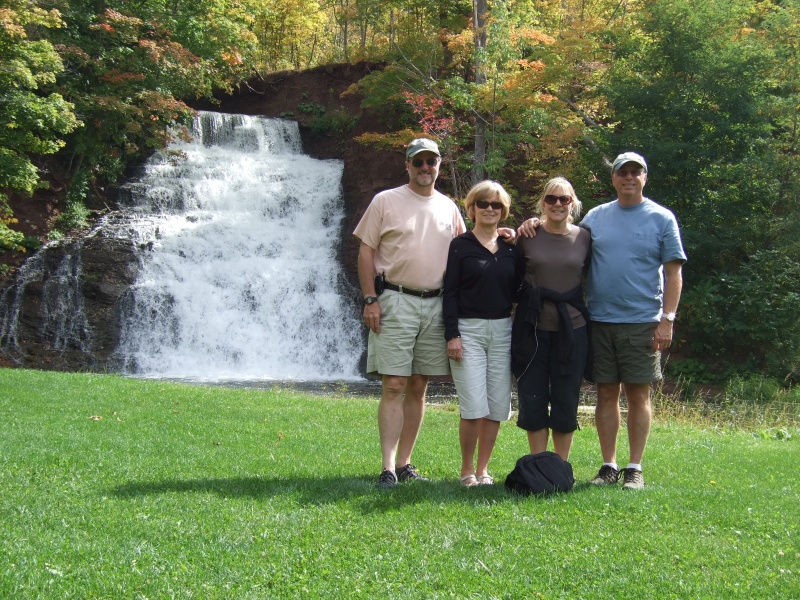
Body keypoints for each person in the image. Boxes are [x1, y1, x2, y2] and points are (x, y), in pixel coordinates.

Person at [519, 152, 686, 490]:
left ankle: (634, 467)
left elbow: (674, 272)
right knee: (606, 393)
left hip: (643, 320)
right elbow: (561, 236)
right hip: (598, 318)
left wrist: (667, 319)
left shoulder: (661, 218)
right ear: (613, 179)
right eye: (622, 172)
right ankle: (608, 465)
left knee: (639, 394)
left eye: (635, 172)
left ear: (645, 176)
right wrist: (531, 223)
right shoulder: (596, 218)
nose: (628, 178)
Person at [353, 138, 467, 488]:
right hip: (395, 299)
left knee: (419, 385)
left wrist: (506, 234)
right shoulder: (385, 200)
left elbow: (469, 248)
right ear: (407, 165)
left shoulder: (449, 207)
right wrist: (370, 298)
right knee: (394, 384)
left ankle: (405, 463)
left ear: (439, 166)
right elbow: (366, 251)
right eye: (418, 162)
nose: (425, 168)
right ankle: (387, 467)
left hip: (436, 302)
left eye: (431, 162)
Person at [443, 181, 523, 487]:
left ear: (503, 212)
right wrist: (453, 334)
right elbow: (449, 293)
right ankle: (467, 471)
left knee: (497, 404)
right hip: (468, 330)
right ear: (472, 208)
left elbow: (518, 290)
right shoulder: (460, 245)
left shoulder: (511, 250)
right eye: (484, 204)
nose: (490, 209)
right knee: (474, 406)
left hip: (503, 330)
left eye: (497, 206)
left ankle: (484, 469)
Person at [512, 177, 591, 462]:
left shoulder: (584, 237)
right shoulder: (527, 236)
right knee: (532, 399)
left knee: (565, 400)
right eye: (551, 199)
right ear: (542, 203)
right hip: (531, 329)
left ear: (573, 204)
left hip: (573, 331)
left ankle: (560, 466)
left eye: (564, 199)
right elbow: (513, 276)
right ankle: (538, 465)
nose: (557, 204)